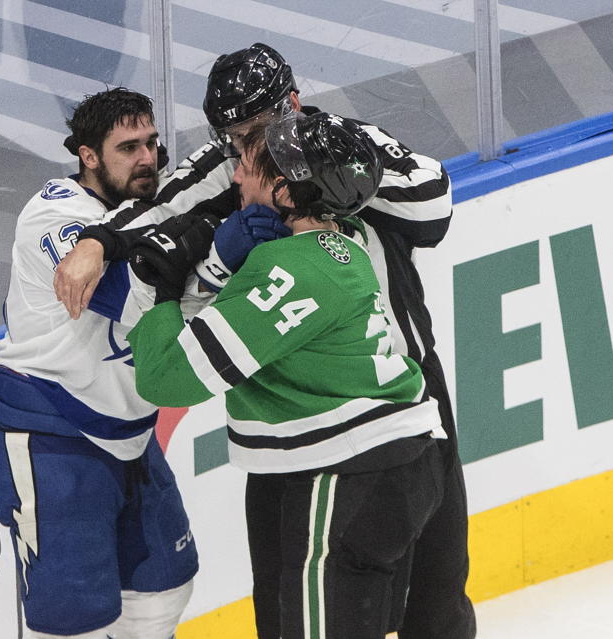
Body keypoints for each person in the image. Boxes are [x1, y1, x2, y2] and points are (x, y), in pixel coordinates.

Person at [55, 43, 475, 639]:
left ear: (293, 107)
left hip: (400, 393)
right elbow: (158, 209)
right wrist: (96, 241)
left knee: (435, 593)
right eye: (232, 138)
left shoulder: (338, 151)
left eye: (256, 133)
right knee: (296, 610)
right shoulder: (238, 165)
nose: (242, 152)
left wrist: (327, 176)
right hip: (319, 423)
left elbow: (433, 208)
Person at [127, 112, 447, 639]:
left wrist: (158, 291)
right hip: (383, 465)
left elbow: (169, 379)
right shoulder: (344, 241)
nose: (235, 178)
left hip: (348, 472)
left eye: (249, 167)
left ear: (284, 192)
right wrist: (217, 271)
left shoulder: (292, 271)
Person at [0, 88, 200, 639]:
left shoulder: (157, 200)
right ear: (89, 156)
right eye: (128, 147)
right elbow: (134, 298)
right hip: (51, 435)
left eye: (151, 143)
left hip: (129, 433)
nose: (147, 157)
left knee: (164, 594)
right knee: (73, 626)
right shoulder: (55, 217)